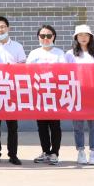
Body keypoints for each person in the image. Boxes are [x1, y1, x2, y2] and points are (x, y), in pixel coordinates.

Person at [0, 16, 26, 165]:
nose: (0, 30)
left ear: (8, 28)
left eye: (2, 27)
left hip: (12, 90)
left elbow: (23, 67)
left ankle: (13, 154)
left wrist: (12, 68)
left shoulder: (17, 46)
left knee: (12, 126)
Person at [66, 25, 94, 166]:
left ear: (90, 37)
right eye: (80, 35)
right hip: (77, 92)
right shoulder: (69, 54)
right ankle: (81, 151)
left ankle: (93, 152)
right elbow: (66, 73)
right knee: (78, 125)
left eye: (86, 35)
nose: (83, 37)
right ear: (76, 38)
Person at [27, 24, 64, 165]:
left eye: (49, 35)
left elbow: (65, 71)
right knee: (41, 125)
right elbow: (27, 71)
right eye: (42, 36)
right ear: (38, 37)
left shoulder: (59, 53)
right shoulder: (34, 53)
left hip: (55, 93)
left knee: (54, 125)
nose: (46, 38)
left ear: (54, 37)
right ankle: (45, 151)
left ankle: (54, 153)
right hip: (39, 94)